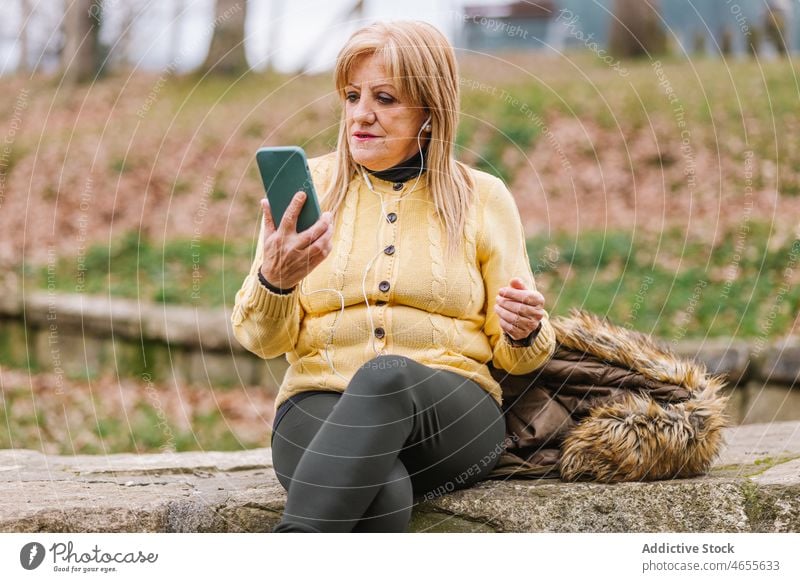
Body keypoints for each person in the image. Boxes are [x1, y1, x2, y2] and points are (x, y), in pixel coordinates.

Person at [231, 20, 556, 533]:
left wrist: (525, 328)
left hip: (451, 411)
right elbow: (262, 340)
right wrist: (277, 282)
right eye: (352, 96)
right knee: (381, 492)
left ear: (430, 111)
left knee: (387, 375)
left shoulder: (483, 197)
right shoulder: (308, 188)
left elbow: (521, 355)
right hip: (317, 402)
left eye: (385, 98)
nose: (361, 114)